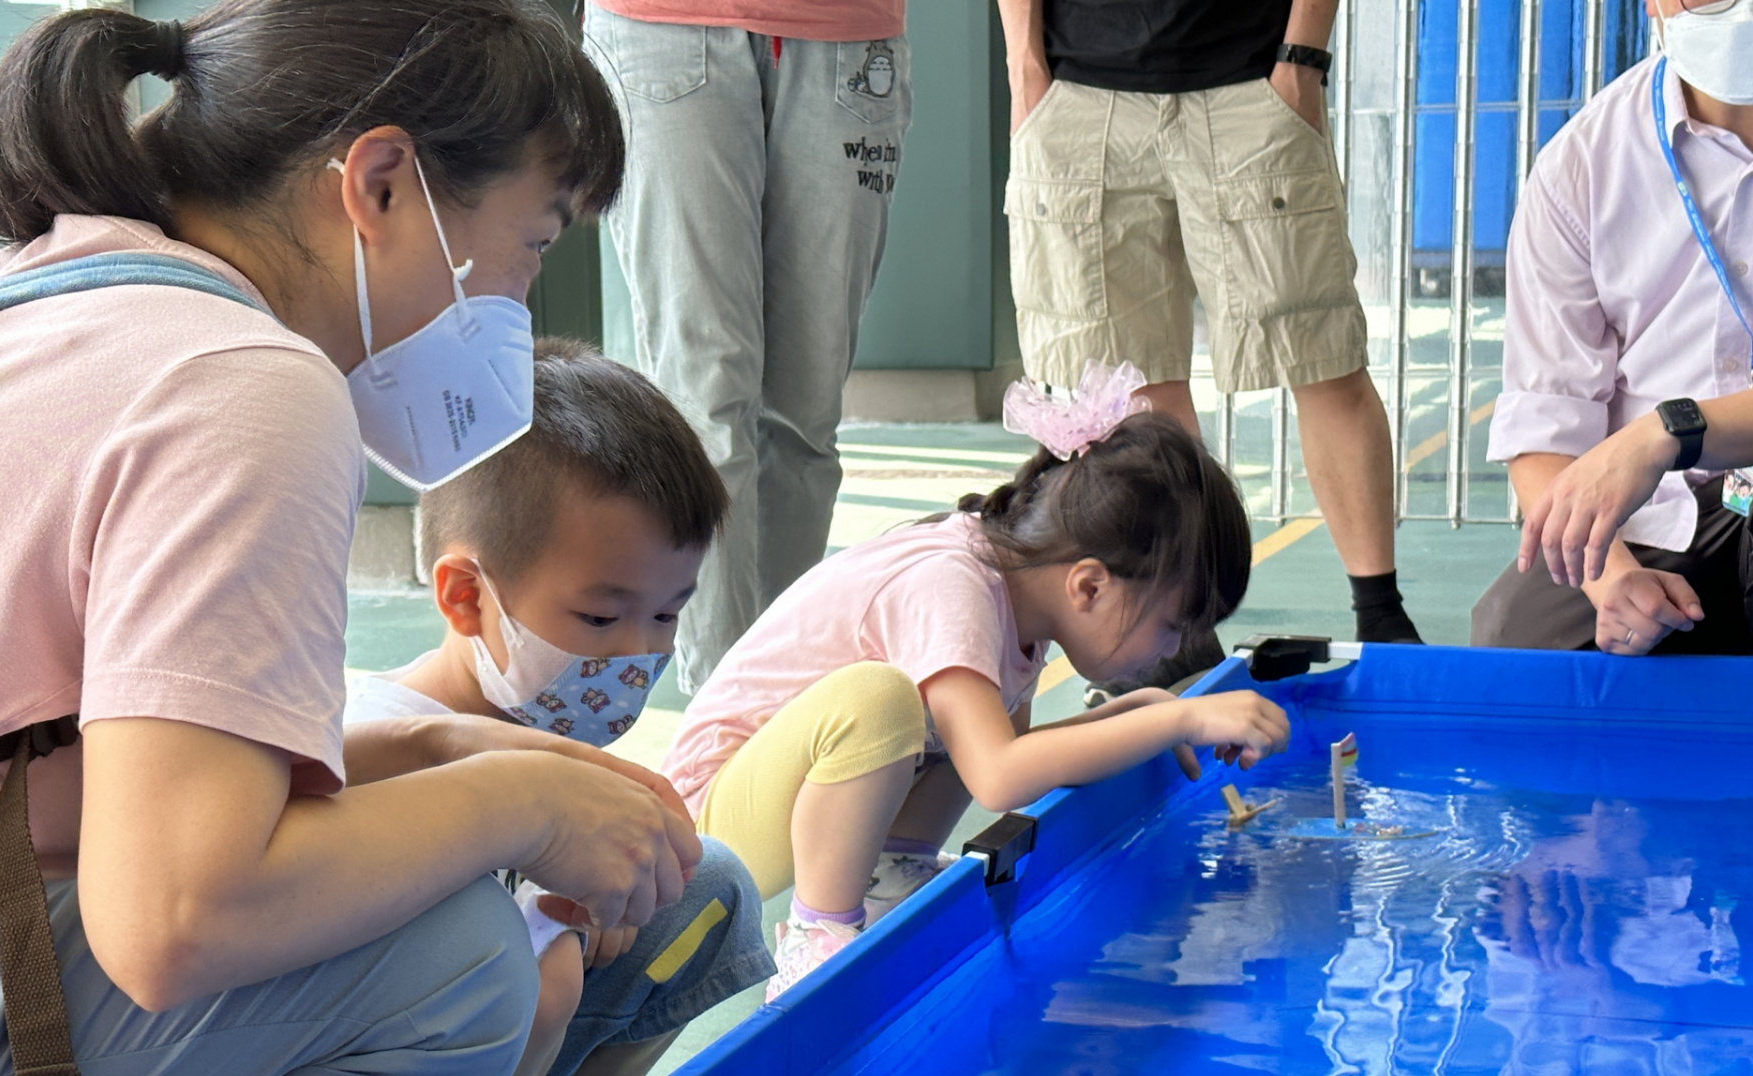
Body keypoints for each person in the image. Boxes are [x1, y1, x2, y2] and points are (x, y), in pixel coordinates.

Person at [0, 6, 706, 1076]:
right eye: (531, 244)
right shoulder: (246, 381)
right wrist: (523, 804)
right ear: (381, 186)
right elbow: (177, 911)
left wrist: (437, 749)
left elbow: (45, 757)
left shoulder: (52, 290)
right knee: (449, 968)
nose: (519, 301)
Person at [343, 338, 772, 1076]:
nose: (636, 653)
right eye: (600, 616)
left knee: (702, 885)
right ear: (467, 597)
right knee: (538, 969)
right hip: (366, 1063)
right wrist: (550, 916)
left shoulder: (543, 711)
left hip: (489, 1032)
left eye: (667, 614)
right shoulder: (380, 731)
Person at [661, 371, 1290, 994]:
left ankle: (890, 876)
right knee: (879, 701)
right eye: (1172, 626)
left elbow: (1017, 754)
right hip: (702, 831)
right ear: (1090, 585)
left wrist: (1145, 712)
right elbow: (999, 775)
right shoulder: (957, 586)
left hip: (779, 801)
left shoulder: (1020, 600)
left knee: (964, 723)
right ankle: (818, 938)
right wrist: (1179, 718)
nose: (1174, 649)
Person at [997, 0, 1422, 664]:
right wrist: (1025, 68)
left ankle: (1381, 612)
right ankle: (1179, 633)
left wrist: (1302, 59)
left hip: (1249, 84)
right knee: (1133, 393)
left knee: (1322, 356)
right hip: (1079, 93)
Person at [582, 0, 913, 693]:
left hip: (847, 37)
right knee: (706, 408)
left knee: (806, 421)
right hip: (665, 26)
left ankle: (782, 696)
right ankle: (724, 712)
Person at [1476, 0, 1753, 656]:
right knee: (1516, 637)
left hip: (1672, 456)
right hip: (1657, 511)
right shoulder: (1582, 166)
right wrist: (1612, 581)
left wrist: (1669, 432)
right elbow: (1544, 425)